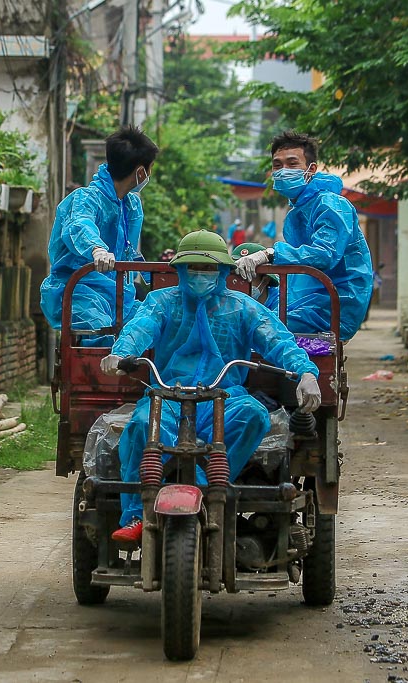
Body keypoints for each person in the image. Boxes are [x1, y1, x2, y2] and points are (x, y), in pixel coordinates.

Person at [101, 230, 322, 543]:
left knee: (253, 415)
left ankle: (207, 489)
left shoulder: (243, 307)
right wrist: (122, 353)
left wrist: (305, 372)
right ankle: (138, 512)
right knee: (140, 426)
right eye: (193, 267)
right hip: (167, 395)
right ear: (179, 269)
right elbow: (141, 327)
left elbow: (276, 339)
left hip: (225, 396)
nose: (200, 274)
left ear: (222, 271)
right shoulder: (161, 302)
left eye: (208, 268)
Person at [235, 131, 373, 341]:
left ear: (311, 169)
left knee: (259, 328)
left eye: (292, 163)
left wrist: (270, 254)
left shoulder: (330, 204)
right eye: (277, 165)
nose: (283, 171)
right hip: (309, 296)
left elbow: (324, 254)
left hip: (334, 302)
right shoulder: (301, 208)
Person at [39, 126, 159, 339]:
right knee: (99, 338)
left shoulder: (130, 205)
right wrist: (97, 249)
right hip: (82, 294)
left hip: (119, 295)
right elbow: (79, 224)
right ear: (141, 172)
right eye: (150, 168)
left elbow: (128, 250)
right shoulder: (86, 199)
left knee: (153, 326)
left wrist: (157, 276)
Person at [231, 242, 279, 310]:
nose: (239, 282)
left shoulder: (282, 304)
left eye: (246, 275)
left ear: (265, 280)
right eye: (235, 275)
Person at [363, 262, 385, 327]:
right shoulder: (372, 273)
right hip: (368, 293)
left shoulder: (363, 274)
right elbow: (379, 282)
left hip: (363, 293)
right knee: (366, 307)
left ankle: (362, 322)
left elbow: (379, 282)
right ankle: (363, 321)